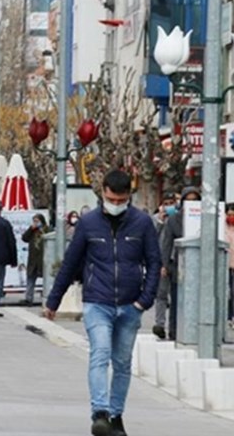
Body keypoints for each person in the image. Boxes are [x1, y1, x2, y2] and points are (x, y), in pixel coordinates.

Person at [44, 170, 160, 436]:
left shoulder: (142, 224)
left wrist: (145, 300)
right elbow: (71, 262)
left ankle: (116, 415)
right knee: (100, 353)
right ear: (103, 193)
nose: (116, 205)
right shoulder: (88, 223)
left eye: (121, 200)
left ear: (129, 196)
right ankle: (100, 413)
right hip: (97, 301)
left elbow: (154, 263)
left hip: (131, 305)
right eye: (111, 199)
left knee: (122, 363)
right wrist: (53, 300)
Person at [159, 187, 197, 341]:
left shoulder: (206, 217)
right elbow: (167, 243)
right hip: (179, 265)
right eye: (188, 200)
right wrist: (165, 264)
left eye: (195, 200)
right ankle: (174, 330)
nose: (192, 203)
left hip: (200, 266)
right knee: (176, 299)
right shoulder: (174, 220)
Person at [151, 193, 178, 339]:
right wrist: (160, 222)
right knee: (161, 294)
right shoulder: (155, 219)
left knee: (175, 295)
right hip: (160, 261)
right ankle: (159, 324)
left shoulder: (178, 218)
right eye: (166, 203)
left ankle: (174, 326)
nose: (169, 206)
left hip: (174, 260)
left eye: (171, 202)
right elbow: (151, 237)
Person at [21, 213, 50, 306]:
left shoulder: (47, 229)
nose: (35, 223)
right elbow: (24, 238)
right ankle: (28, 298)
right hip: (33, 259)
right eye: (34, 221)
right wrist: (31, 228)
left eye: (37, 221)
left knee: (46, 279)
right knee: (30, 278)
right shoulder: (32, 231)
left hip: (43, 258)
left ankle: (47, 298)